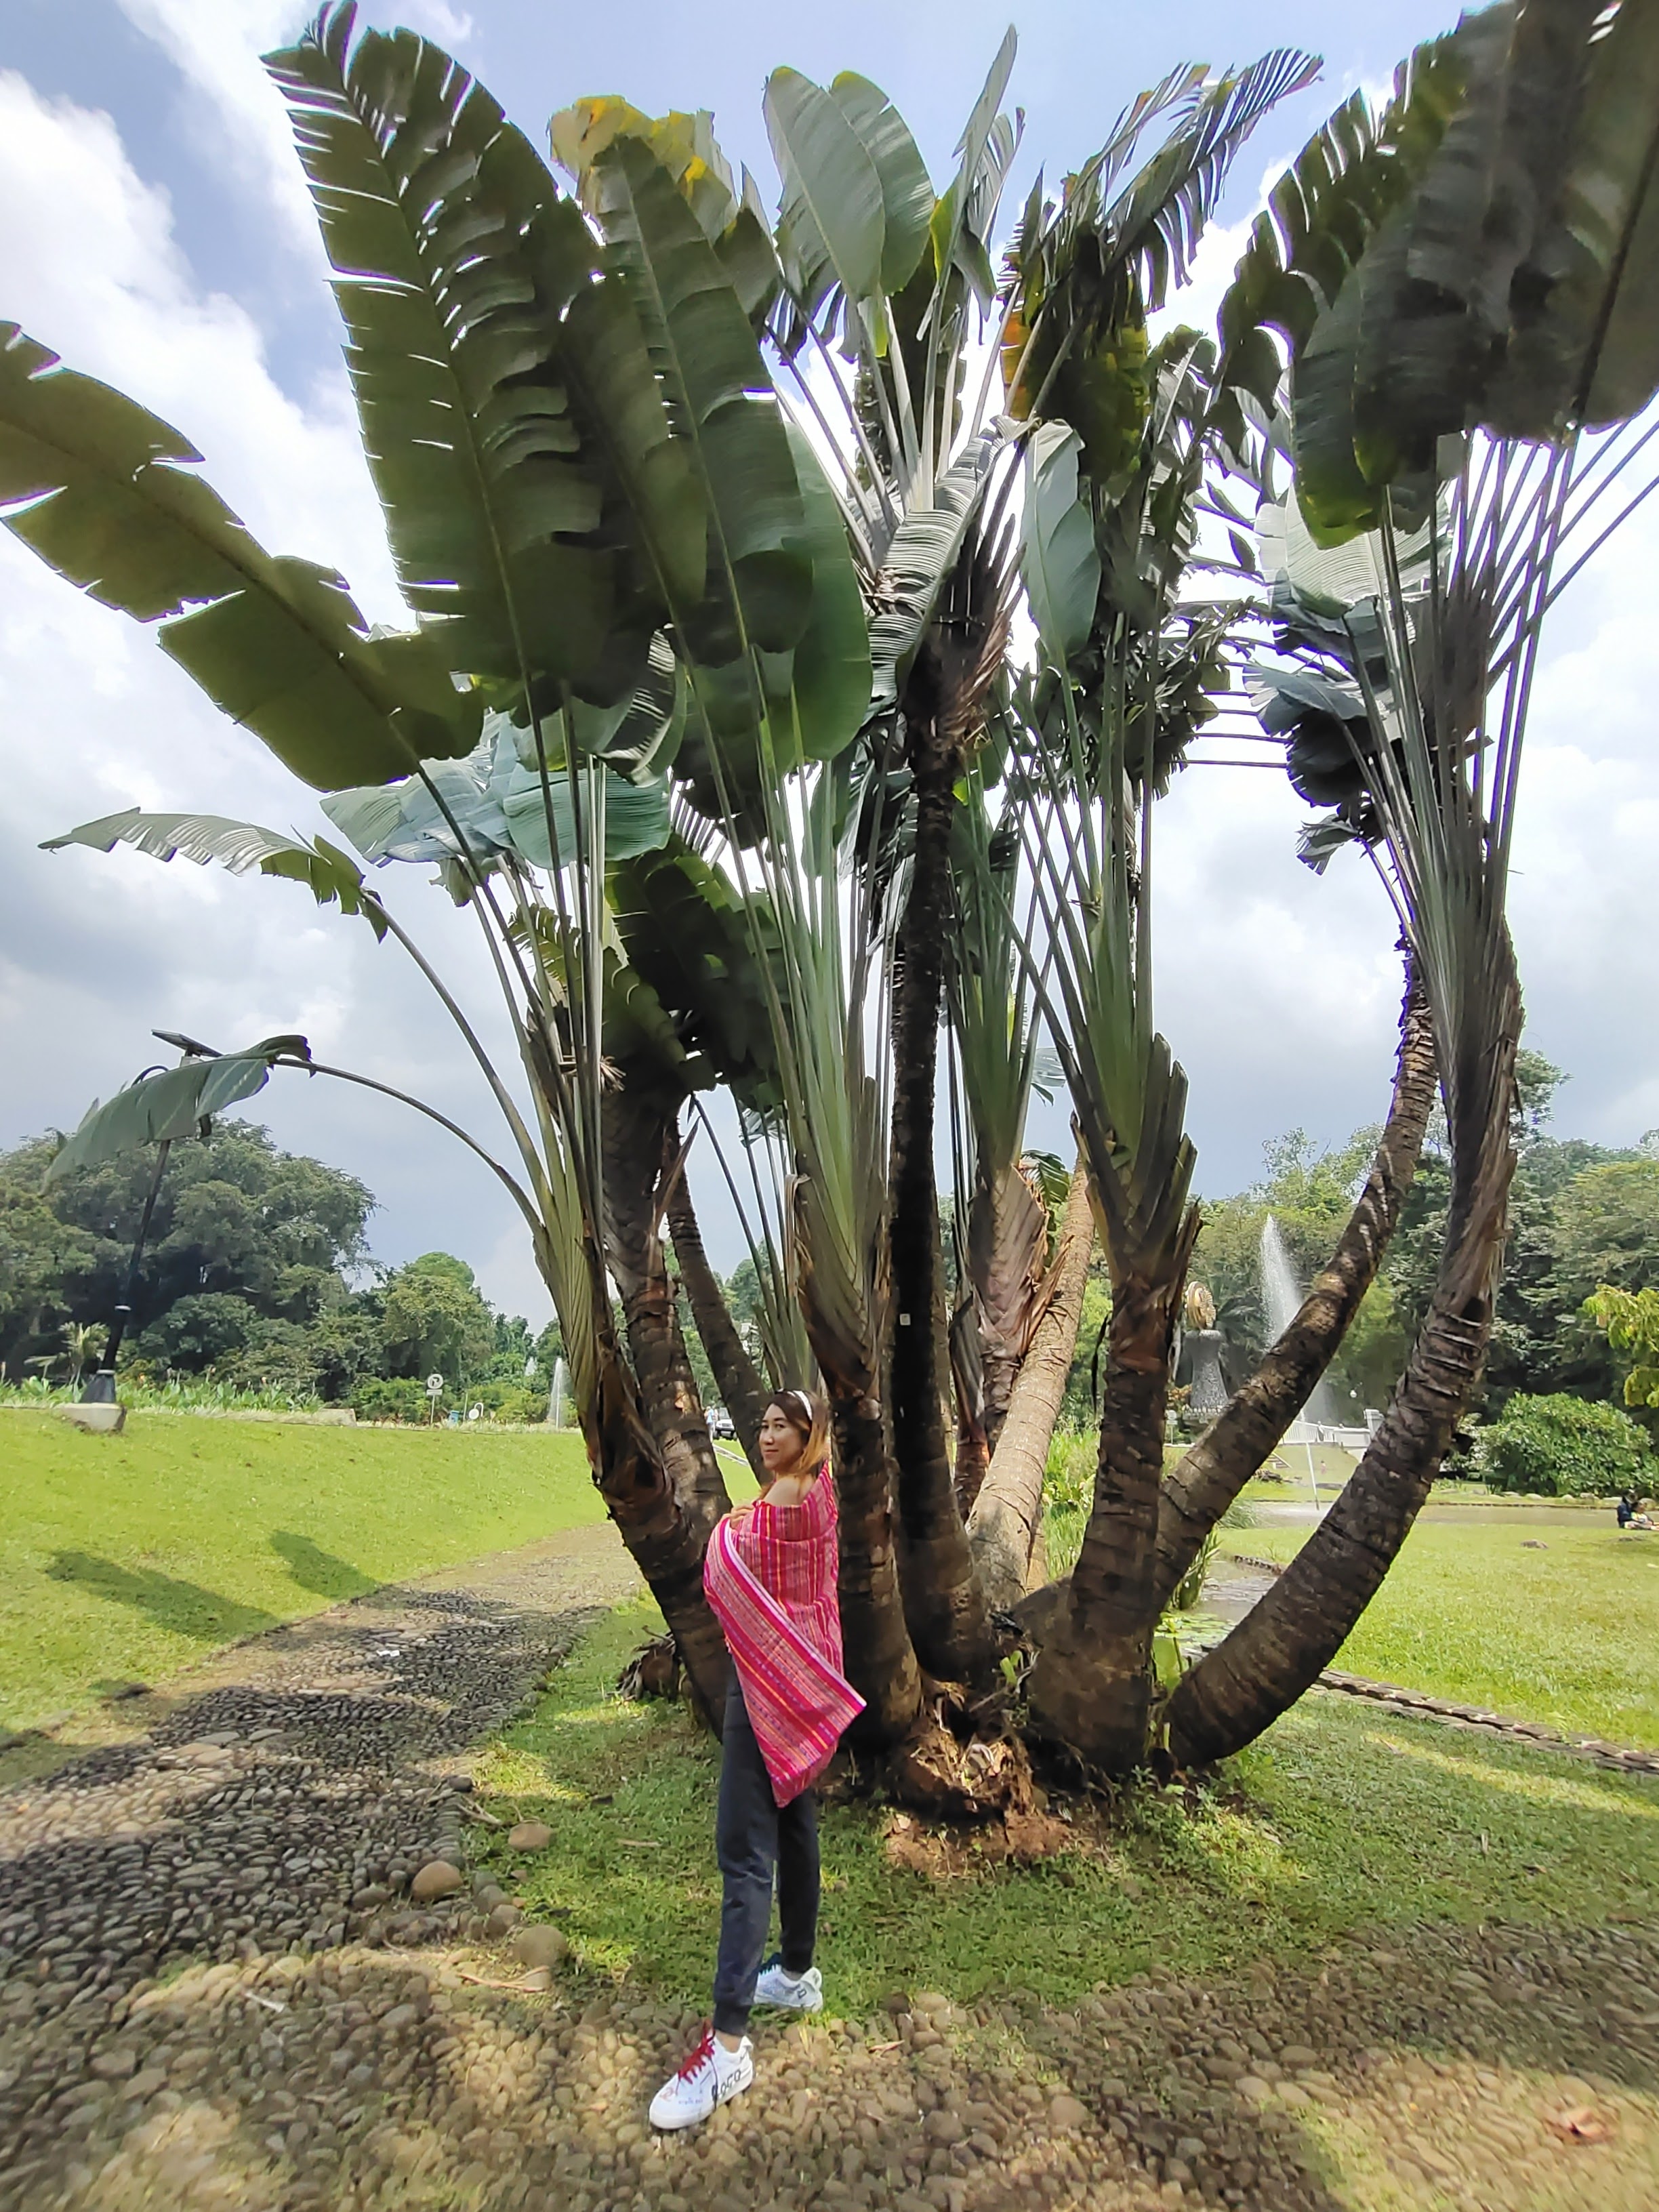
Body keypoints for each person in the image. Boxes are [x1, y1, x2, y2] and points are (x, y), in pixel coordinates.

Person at [648, 1388, 863, 2131]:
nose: (770, 1436)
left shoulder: (787, 1503)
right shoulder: (821, 1490)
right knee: (796, 1821)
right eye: (766, 1425)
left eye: (785, 1427)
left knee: (744, 1853)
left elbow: (727, 1559)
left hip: (767, 1688)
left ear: (812, 1436)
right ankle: (797, 1972)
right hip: (805, 1680)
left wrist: (725, 1536)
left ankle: (729, 2045)